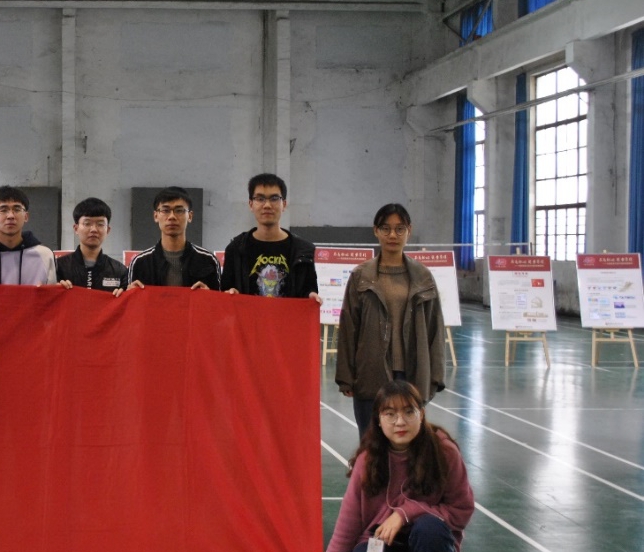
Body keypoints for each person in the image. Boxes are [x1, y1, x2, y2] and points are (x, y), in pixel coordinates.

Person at [319, 381, 473, 552]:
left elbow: (461, 510)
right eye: (390, 414)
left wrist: (404, 514)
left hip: (429, 548)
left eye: (409, 412)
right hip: (381, 544)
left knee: (430, 529)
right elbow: (347, 526)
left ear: (421, 414)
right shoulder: (367, 461)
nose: (400, 422)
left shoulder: (444, 452)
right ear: (378, 420)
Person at [336, 203, 444, 439]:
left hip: (412, 374)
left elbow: (435, 328)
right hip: (370, 373)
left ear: (409, 231)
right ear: (376, 231)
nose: (393, 235)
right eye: (386, 228)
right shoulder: (361, 275)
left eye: (399, 228)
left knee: (408, 441)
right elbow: (348, 328)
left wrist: (435, 377)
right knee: (370, 441)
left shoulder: (423, 276)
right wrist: (346, 377)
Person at [221, 173, 320, 301]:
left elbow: (309, 289)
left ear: (284, 204)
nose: (267, 205)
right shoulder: (236, 249)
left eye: (274, 198)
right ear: (251, 204)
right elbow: (225, 290)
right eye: (260, 198)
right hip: (248, 315)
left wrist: (311, 297)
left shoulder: (303, 251)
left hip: (287, 315)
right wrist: (229, 293)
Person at [126, 186, 220, 291]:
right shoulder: (140, 263)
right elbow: (131, 301)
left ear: (190, 216)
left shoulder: (208, 261)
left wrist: (210, 296)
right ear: (156, 216)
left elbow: (219, 300)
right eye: (165, 210)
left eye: (179, 211)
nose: (172, 217)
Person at [0, 186, 58, 286]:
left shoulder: (45, 256)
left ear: (26, 216)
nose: (11, 216)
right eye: (3, 210)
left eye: (17, 209)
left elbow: (53, 294)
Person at [55, 197, 129, 293]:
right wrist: (55, 289)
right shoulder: (59, 267)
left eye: (100, 224)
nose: (93, 229)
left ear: (108, 230)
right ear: (76, 228)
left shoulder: (119, 271)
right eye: (87, 223)